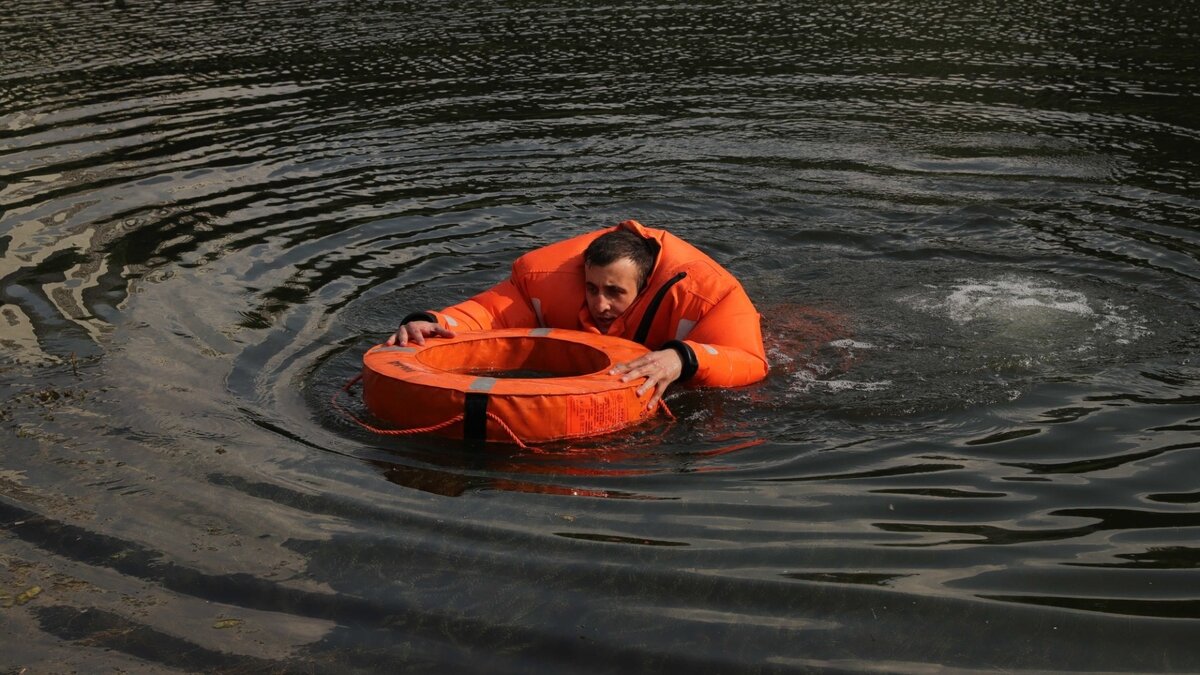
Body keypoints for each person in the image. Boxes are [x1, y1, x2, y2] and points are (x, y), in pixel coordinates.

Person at [388, 219, 768, 408]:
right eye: (591, 289)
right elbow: (488, 313)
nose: (598, 305)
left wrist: (681, 358)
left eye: (615, 293)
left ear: (646, 284)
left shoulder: (710, 296)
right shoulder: (543, 280)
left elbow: (749, 360)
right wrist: (435, 322)